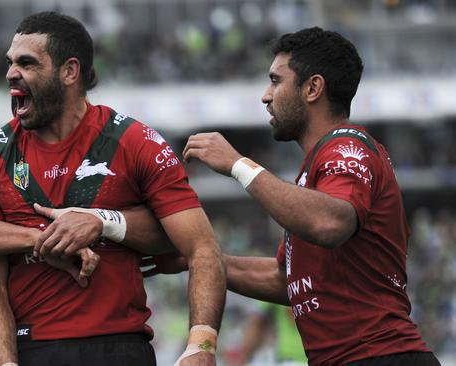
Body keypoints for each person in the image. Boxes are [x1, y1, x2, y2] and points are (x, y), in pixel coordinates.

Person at [0, 11, 226, 366]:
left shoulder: (134, 141)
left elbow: (202, 248)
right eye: (10, 63)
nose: (10, 74)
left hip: (121, 347)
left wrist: (200, 348)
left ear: (69, 71)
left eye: (27, 63)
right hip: (34, 349)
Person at [179, 27, 440, 365]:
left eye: (276, 81)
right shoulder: (315, 169)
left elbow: (330, 222)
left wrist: (238, 165)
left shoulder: (347, 147)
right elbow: (287, 280)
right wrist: (198, 261)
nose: (265, 96)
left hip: (381, 356)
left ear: (313, 88)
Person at [232, 302, 306, 366]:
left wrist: (244, 354)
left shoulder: (278, 286)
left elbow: (256, 323)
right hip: (314, 358)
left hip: (290, 359)